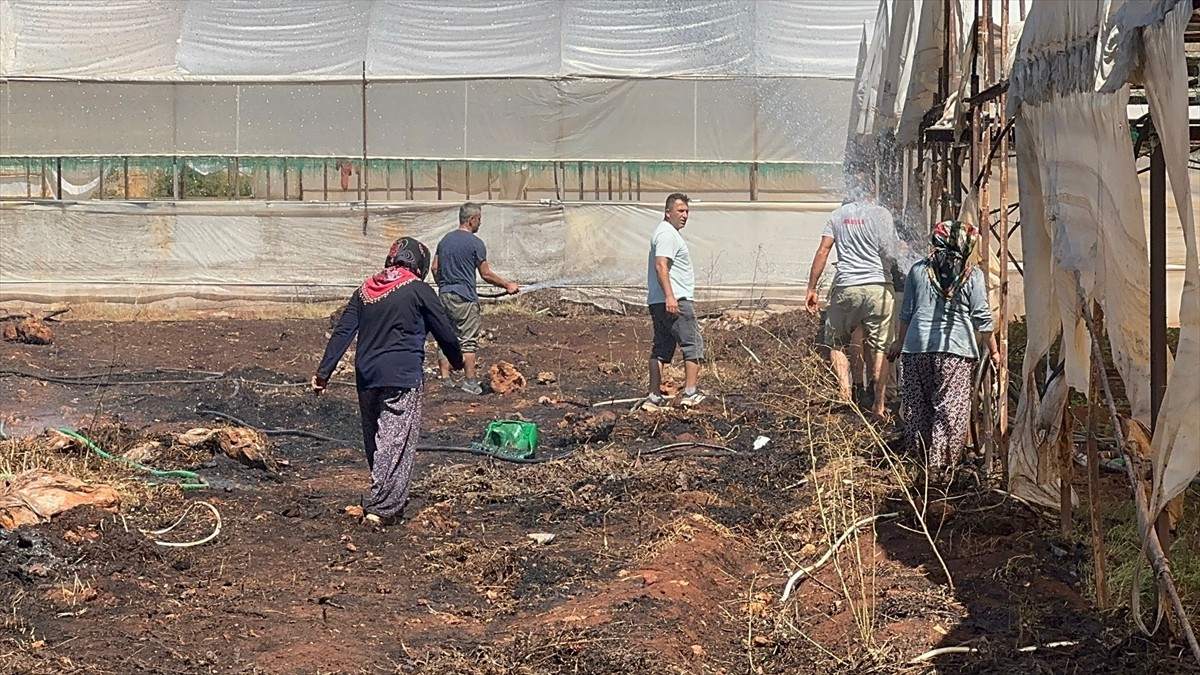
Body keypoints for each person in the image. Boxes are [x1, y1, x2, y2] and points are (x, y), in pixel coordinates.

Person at [312, 237, 464, 527]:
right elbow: (444, 329)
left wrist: (323, 374)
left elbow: (343, 332)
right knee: (395, 441)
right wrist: (456, 361)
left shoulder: (366, 290)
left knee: (377, 440)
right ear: (418, 263)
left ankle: (381, 497)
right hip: (402, 376)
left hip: (367, 375)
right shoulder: (419, 290)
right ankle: (381, 508)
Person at [886, 220, 999, 470]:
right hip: (954, 353)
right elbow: (982, 317)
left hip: (916, 349)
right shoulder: (973, 275)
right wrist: (995, 351)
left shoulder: (917, 271)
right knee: (949, 409)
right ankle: (939, 469)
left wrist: (899, 342)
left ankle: (920, 462)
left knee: (918, 407)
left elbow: (906, 312)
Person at [805, 182, 899, 420]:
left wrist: (811, 288)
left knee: (836, 341)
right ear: (873, 192)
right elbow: (891, 249)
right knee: (881, 348)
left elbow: (823, 251)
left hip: (847, 286)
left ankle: (845, 393)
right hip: (879, 288)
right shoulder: (882, 214)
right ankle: (878, 406)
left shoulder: (838, 215)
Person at [432, 202, 519, 394]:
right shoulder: (475, 243)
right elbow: (486, 274)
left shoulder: (445, 240)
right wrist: (507, 285)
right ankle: (470, 382)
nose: (480, 223)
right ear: (472, 220)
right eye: (479, 219)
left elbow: (434, 268)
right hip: (465, 298)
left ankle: (445, 379)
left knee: (447, 336)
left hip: (445, 296)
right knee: (468, 339)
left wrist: (444, 285)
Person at [644, 192, 705, 410]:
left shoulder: (666, 233)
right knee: (693, 345)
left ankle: (653, 397)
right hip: (674, 299)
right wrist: (671, 296)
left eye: (687, 211)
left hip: (659, 300)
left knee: (661, 348)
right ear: (667, 212)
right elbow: (661, 265)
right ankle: (690, 392)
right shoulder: (667, 234)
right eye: (680, 211)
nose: (685, 215)